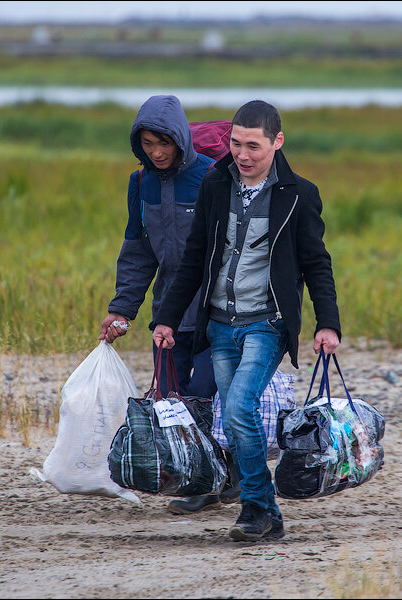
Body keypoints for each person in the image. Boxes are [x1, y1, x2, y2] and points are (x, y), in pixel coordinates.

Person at [152, 100, 342, 541]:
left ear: (277, 141)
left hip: (267, 324)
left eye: (253, 145)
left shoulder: (300, 194)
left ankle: (258, 509)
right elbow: (195, 257)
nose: (243, 154)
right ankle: (262, 510)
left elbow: (317, 264)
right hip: (219, 323)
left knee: (238, 407)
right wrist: (165, 318)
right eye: (236, 143)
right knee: (237, 418)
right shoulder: (216, 184)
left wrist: (327, 324)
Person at [99, 94, 236, 512]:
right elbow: (138, 250)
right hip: (169, 314)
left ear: (180, 139)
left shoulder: (213, 176)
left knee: (206, 395)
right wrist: (122, 309)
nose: (156, 152)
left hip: (217, 311)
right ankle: (199, 479)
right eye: (147, 143)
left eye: (164, 143)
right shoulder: (140, 183)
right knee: (171, 399)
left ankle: (220, 481)